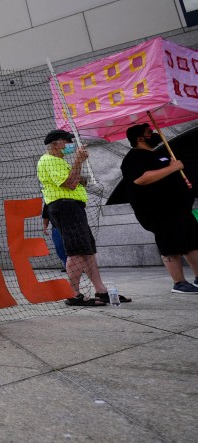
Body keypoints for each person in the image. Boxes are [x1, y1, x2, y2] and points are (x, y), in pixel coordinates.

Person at [38, 129, 128, 306]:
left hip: (73, 206)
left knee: (87, 251)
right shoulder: (49, 160)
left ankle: (101, 290)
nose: (71, 145)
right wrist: (78, 162)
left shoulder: (59, 161)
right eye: (67, 142)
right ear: (56, 144)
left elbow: (78, 180)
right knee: (76, 251)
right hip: (66, 206)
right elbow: (71, 183)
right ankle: (73, 294)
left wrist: (77, 173)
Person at [121, 123, 198, 294]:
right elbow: (141, 179)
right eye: (149, 133)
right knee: (171, 245)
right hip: (160, 212)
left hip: (180, 209)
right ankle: (179, 282)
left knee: (192, 242)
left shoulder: (159, 154)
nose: (154, 134)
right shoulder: (133, 158)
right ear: (140, 138)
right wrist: (173, 168)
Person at [41, 202, 66, 271]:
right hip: (56, 228)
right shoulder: (49, 200)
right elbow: (46, 215)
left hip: (71, 226)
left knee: (74, 246)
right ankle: (67, 264)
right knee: (59, 247)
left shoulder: (68, 197)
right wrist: (45, 227)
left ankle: (77, 265)